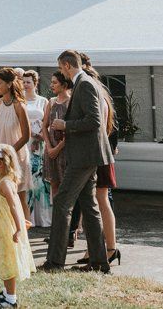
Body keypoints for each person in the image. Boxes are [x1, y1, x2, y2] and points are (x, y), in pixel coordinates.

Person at [42, 50, 114, 274]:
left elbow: (94, 120)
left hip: (84, 156)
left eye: (60, 68)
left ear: (66, 65)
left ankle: (55, 262)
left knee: (62, 202)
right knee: (89, 208)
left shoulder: (84, 84)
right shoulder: (84, 83)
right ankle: (99, 262)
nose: (61, 72)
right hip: (87, 155)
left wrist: (66, 125)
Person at [75, 74, 121, 267]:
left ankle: (109, 248)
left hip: (98, 154)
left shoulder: (95, 96)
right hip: (101, 152)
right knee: (95, 202)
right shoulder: (103, 97)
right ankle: (97, 247)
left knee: (99, 201)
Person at [0, 144, 36, 309]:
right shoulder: (0, 180)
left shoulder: (5, 183)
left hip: (7, 229)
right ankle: (7, 293)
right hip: (0, 228)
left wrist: (19, 227)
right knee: (3, 259)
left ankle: (11, 299)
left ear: (1, 163)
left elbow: (14, 205)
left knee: (8, 261)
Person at [0, 68, 33, 222]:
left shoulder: (19, 106)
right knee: (0, 198)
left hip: (16, 158)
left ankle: (23, 233)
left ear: (9, 84)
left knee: (19, 198)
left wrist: (8, 153)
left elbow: (26, 136)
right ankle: (5, 233)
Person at [23, 70, 51, 227]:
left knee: (40, 178)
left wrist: (40, 135)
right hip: (26, 140)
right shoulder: (20, 100)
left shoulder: (43, 101)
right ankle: (29, 217)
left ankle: (42, 216)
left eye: (28, 82)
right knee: (27, 176)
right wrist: (31, 134)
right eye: (23, 82)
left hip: (40, 141)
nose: (25, 85)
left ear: (35, 83)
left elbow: (47, 121)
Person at [42, 71, 72, 198]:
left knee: (67, 186)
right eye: (51, 82)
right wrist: (49, 147)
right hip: (51, 149)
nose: (51, 85)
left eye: (54, 83)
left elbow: (72, 129)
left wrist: (58, 148)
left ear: (64, 85)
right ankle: (56, 210)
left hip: (66, 149)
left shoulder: (71, 103)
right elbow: (44, 126)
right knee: (54, 185)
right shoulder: (51, 102)